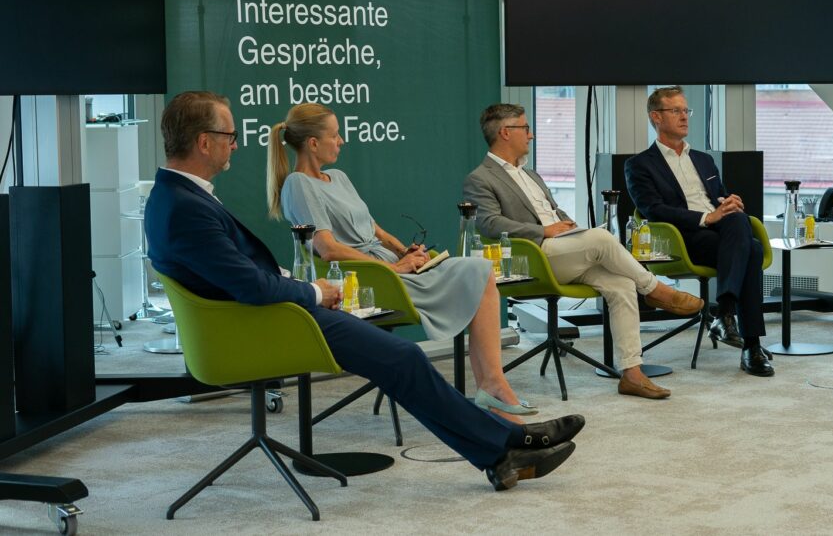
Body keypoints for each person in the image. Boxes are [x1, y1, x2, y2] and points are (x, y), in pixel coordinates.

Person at [144, 91, 582, 491]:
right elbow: (251, 285)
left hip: (273, 313)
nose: (236, 145)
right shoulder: (186, 207)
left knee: (404, 356)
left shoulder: (181, 197)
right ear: (205, 142)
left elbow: (242, 273)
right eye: (230, 136)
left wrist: (301, 281)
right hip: (269, 323)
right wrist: (314, 291)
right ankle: (506, 443)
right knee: (404, 358)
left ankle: (503, 448)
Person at [266, 103, 532, 423]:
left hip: (388, 267)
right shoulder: (298, 185)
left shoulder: (338, 177)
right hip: (364, 280)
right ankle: (493, 388)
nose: (341, 141)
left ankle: (492, 385)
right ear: (312, 143)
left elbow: (375, 229)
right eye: (335, 135)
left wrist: (406, 252)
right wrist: (392, 269)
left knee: (479, 270)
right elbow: (328, 249)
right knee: (474, 275)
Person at [463, 103, 705, 400]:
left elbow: (553, 212)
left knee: (621, 284)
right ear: (505, 132)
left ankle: (632, 373)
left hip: (562, 250)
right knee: (602, 238)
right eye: (525, 128)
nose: (531, 135)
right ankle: (656, 290)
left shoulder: (531, 174)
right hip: (534, 255)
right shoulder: (481, 178)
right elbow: (488, 223)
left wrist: (568, 226)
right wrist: (544, 231)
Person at [625, 87, 774, 377]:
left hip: (722, 233)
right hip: (683, 237)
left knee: (738, 219)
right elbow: (654, 209)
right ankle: (750, 345)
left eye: (686, 111)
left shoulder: (704, 159)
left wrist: (728, 203)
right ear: (656, 117)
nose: (684, 117)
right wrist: (707, 217)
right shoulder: (640, 165)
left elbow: (719, 196)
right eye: (676, 111)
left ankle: (726, 315)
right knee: (752, 250)